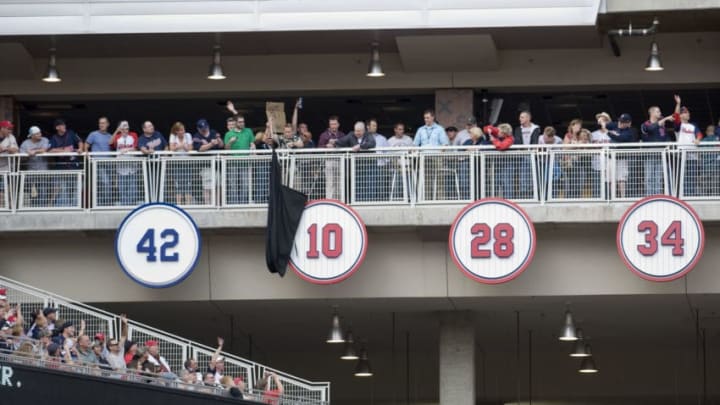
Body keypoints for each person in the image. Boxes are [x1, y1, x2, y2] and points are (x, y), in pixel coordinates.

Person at [671, 95, 703, 197]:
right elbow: (675, 117)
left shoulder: (693, 125)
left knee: (692, 176)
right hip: (681, 154)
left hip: (692, 154)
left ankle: (691, 195)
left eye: (687, 112)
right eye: (685, 112)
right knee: (682, 176)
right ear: (681, 115)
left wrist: (698, 139)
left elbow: (699, 134)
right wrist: (678, 103)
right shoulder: (678, 125)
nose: (688, 114)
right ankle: (683, 196)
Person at [337, 122, 376, 202]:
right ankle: (359, 201)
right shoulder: (351, 135)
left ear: (364, 130)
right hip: (357, 166)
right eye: (356, 131)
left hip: (369, 165)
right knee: (358, 185)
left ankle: (369, 202)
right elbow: (340, 142)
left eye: (359, 131)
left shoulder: (368, 135)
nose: (357, 133)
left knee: (369, 185)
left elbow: (372, 144)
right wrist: (334, 142)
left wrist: (360, 146)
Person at [48, 119, 83, 207]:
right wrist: (64, 150)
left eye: (64, 125)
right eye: (62, 125)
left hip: (73, 164)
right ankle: (60, 206)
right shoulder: (54, 138)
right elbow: (50, 150)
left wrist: (80, 149)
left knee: (73, 186)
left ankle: (74, 205)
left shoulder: (70, 133)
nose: (64, 126)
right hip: (61, 165)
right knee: (59, 187)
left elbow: (80, 141)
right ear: (57, 128)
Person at [641, 105, 675, 196]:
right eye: (658, 111)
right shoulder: (645, 124)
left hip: (661, 154)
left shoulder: (662, 127)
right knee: (649, 177)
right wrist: (665, 119)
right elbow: (650, 129)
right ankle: (649, 196)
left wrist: (669, 146)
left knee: (658, 177)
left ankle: (657, 196)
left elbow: (666, 138)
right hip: (650, 153)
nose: (660, 113)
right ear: (652, 113)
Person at [604, 113, 638, 198]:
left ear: (628, 123)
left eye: (623, 122)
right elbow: (607, 125)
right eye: (620, 121)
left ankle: (622, 197)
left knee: (621, 179)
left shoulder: (630, 131)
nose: (620, 123)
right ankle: (612, 197)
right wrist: (605, 118)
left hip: (622, 158)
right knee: (610, 179)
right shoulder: (616, 125)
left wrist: (609, 133)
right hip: (611, 157)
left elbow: (621, 138)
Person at [224, 114, 255, 205]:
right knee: (233, 185)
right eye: (240, 122)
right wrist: (230, 142)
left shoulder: (248, 131)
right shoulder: (229, 134)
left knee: (245, 185)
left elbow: (252, 144)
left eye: (243, 121)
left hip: (245, 162)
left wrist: (253, 148)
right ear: (236, 123)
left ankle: (243, 203)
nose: (242, 123)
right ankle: (234, 204)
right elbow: (226, 149)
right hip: (233, 162)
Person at [193, 119, 224, 205]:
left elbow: (221, 145)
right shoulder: (197, 136)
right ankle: (208, 205)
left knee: (218, 185)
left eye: (206, 127)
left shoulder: (213, 132)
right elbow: (200, 149)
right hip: (205, 165)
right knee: (207, 187)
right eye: (202, 128)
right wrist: (211, 144)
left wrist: (218, 139)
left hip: (217, 165)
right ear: (198, 129)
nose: (205, 129)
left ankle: (218, 205)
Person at [109, 121, 141, 206]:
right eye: (123, 128)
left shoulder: (133, 135)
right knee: (122, 189)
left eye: (126, 128)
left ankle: (131, 207)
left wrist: (127, 150)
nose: (125, 130)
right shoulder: (117, 136)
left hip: (132, 167)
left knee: (133, 190)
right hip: (121, 168)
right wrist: (117, 131)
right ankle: (124, 206)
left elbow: (136, 147)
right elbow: (110, 143)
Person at [85, 117, 114, 205]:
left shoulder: (110, 136)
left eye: (104, 123)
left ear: (108, 124)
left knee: (106, 184)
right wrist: (87, 156)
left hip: (108, 163)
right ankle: (105, 204)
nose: (102, 125)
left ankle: (103, 203)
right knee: (105, 183)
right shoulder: (93, 134)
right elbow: (86, 145)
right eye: (100, 123)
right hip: (97, 163)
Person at [19, 126, 50, 207]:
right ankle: (33, 207)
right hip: (30, 171)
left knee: (43, 191)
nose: (40, 134)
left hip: (43, 170)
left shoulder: (45, 140)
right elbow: (21, 157)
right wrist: (27, 155)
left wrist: (34, 151)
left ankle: (42, 208)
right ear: (32, 135)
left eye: (40, 132)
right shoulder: (25, 143)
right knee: (31, 191)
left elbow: (44, 149)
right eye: (37, 134)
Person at [512, 111, 540, 199]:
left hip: (532, 155)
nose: (520, 119)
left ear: (528, 118)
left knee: (531, 173)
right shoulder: (517, 129)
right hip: (521, 155)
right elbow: (517, 142)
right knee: (523, 173)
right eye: (520, 117)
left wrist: (530, 150)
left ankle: (530, 191)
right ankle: (525, 191)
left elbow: (535, 141)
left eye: (522, 117)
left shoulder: (535, 128)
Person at [318, 115, 346, 200]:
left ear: (338, 125)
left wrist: (337, 143)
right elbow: (319, 147)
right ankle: (330, 201)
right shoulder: (324, 135)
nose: (333, 126)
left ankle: (339, 201)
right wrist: (326, 146)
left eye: (335, 124)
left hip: (339, 160)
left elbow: (346, 145)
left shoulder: (342, 135)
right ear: (329, 125)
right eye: (331, 124)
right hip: (329, 160)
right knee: (330, 182)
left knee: (339, 182)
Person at [485, 124, 515, 199]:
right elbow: (486, 128)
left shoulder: (510, 138)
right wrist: (489, 129)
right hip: (497, 163)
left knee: (507, 184)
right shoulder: (499, 131)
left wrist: (494, 140)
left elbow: (501, 146)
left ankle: (509, 201)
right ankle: (494, 200)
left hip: (507, 164)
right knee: (495, 183)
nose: (498, 133)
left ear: (504, 133)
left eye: (500, 132)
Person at [168, 121, 195, 205]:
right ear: (176, 131)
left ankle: (188, 204)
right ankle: (179, 204)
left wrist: (185, 147)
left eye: (183, 130)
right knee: (178, 183)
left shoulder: (188, 135)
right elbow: (171, 149)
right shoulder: (173, 136)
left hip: (187, 162)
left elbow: (191, 148)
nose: (183, 132)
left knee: (188, 183)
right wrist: (180, 146)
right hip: (177, 163)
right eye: (180, 130)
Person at [368, 118, 390, 201]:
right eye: (373, 125)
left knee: (380, 185)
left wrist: (386, 164)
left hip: (380, 165)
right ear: (368, 127)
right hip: (368, 166)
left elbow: (387, 152)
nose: (375, 127)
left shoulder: (382, 138)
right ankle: (370, 201)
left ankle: (381, 200)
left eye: (375, 126)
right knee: (369, 185)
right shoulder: (363, 137)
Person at [0, 120, 19, 207]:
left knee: (7, 188)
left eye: (11, 129)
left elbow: (15, 150)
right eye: (8, 129)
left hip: (6, 167)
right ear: (2, 128)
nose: (10, 131)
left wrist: (5, 149)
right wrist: (7, 148)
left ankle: (8, 207)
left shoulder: (11, 137)